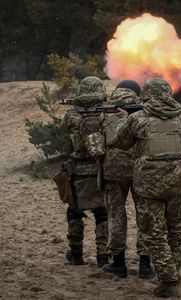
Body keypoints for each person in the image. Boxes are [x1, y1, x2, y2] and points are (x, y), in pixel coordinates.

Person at [109, 77, 181, 298]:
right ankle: (173, 271)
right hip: (177, 183)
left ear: (147, 95)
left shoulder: (137, 118)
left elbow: (121, 141)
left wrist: (124, 120)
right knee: (174, 231)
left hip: (149, 187)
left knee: (154, 235)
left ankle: (168, 280)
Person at [100, 80, 155, 279]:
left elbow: (96, 144)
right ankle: (145, 265)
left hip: (113, 171)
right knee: (145, 215)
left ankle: (119, 263)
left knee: (116, 215)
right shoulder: (145, 113)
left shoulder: (104, 112)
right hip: (141, 170)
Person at [59, 76, 109, 267]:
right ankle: (103, 256)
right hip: (100, 169)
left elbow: (63, 129)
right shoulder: (106, 112)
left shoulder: (72, 114)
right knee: (102, 213)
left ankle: (76, 254)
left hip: (78, 170)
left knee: (74, 212)